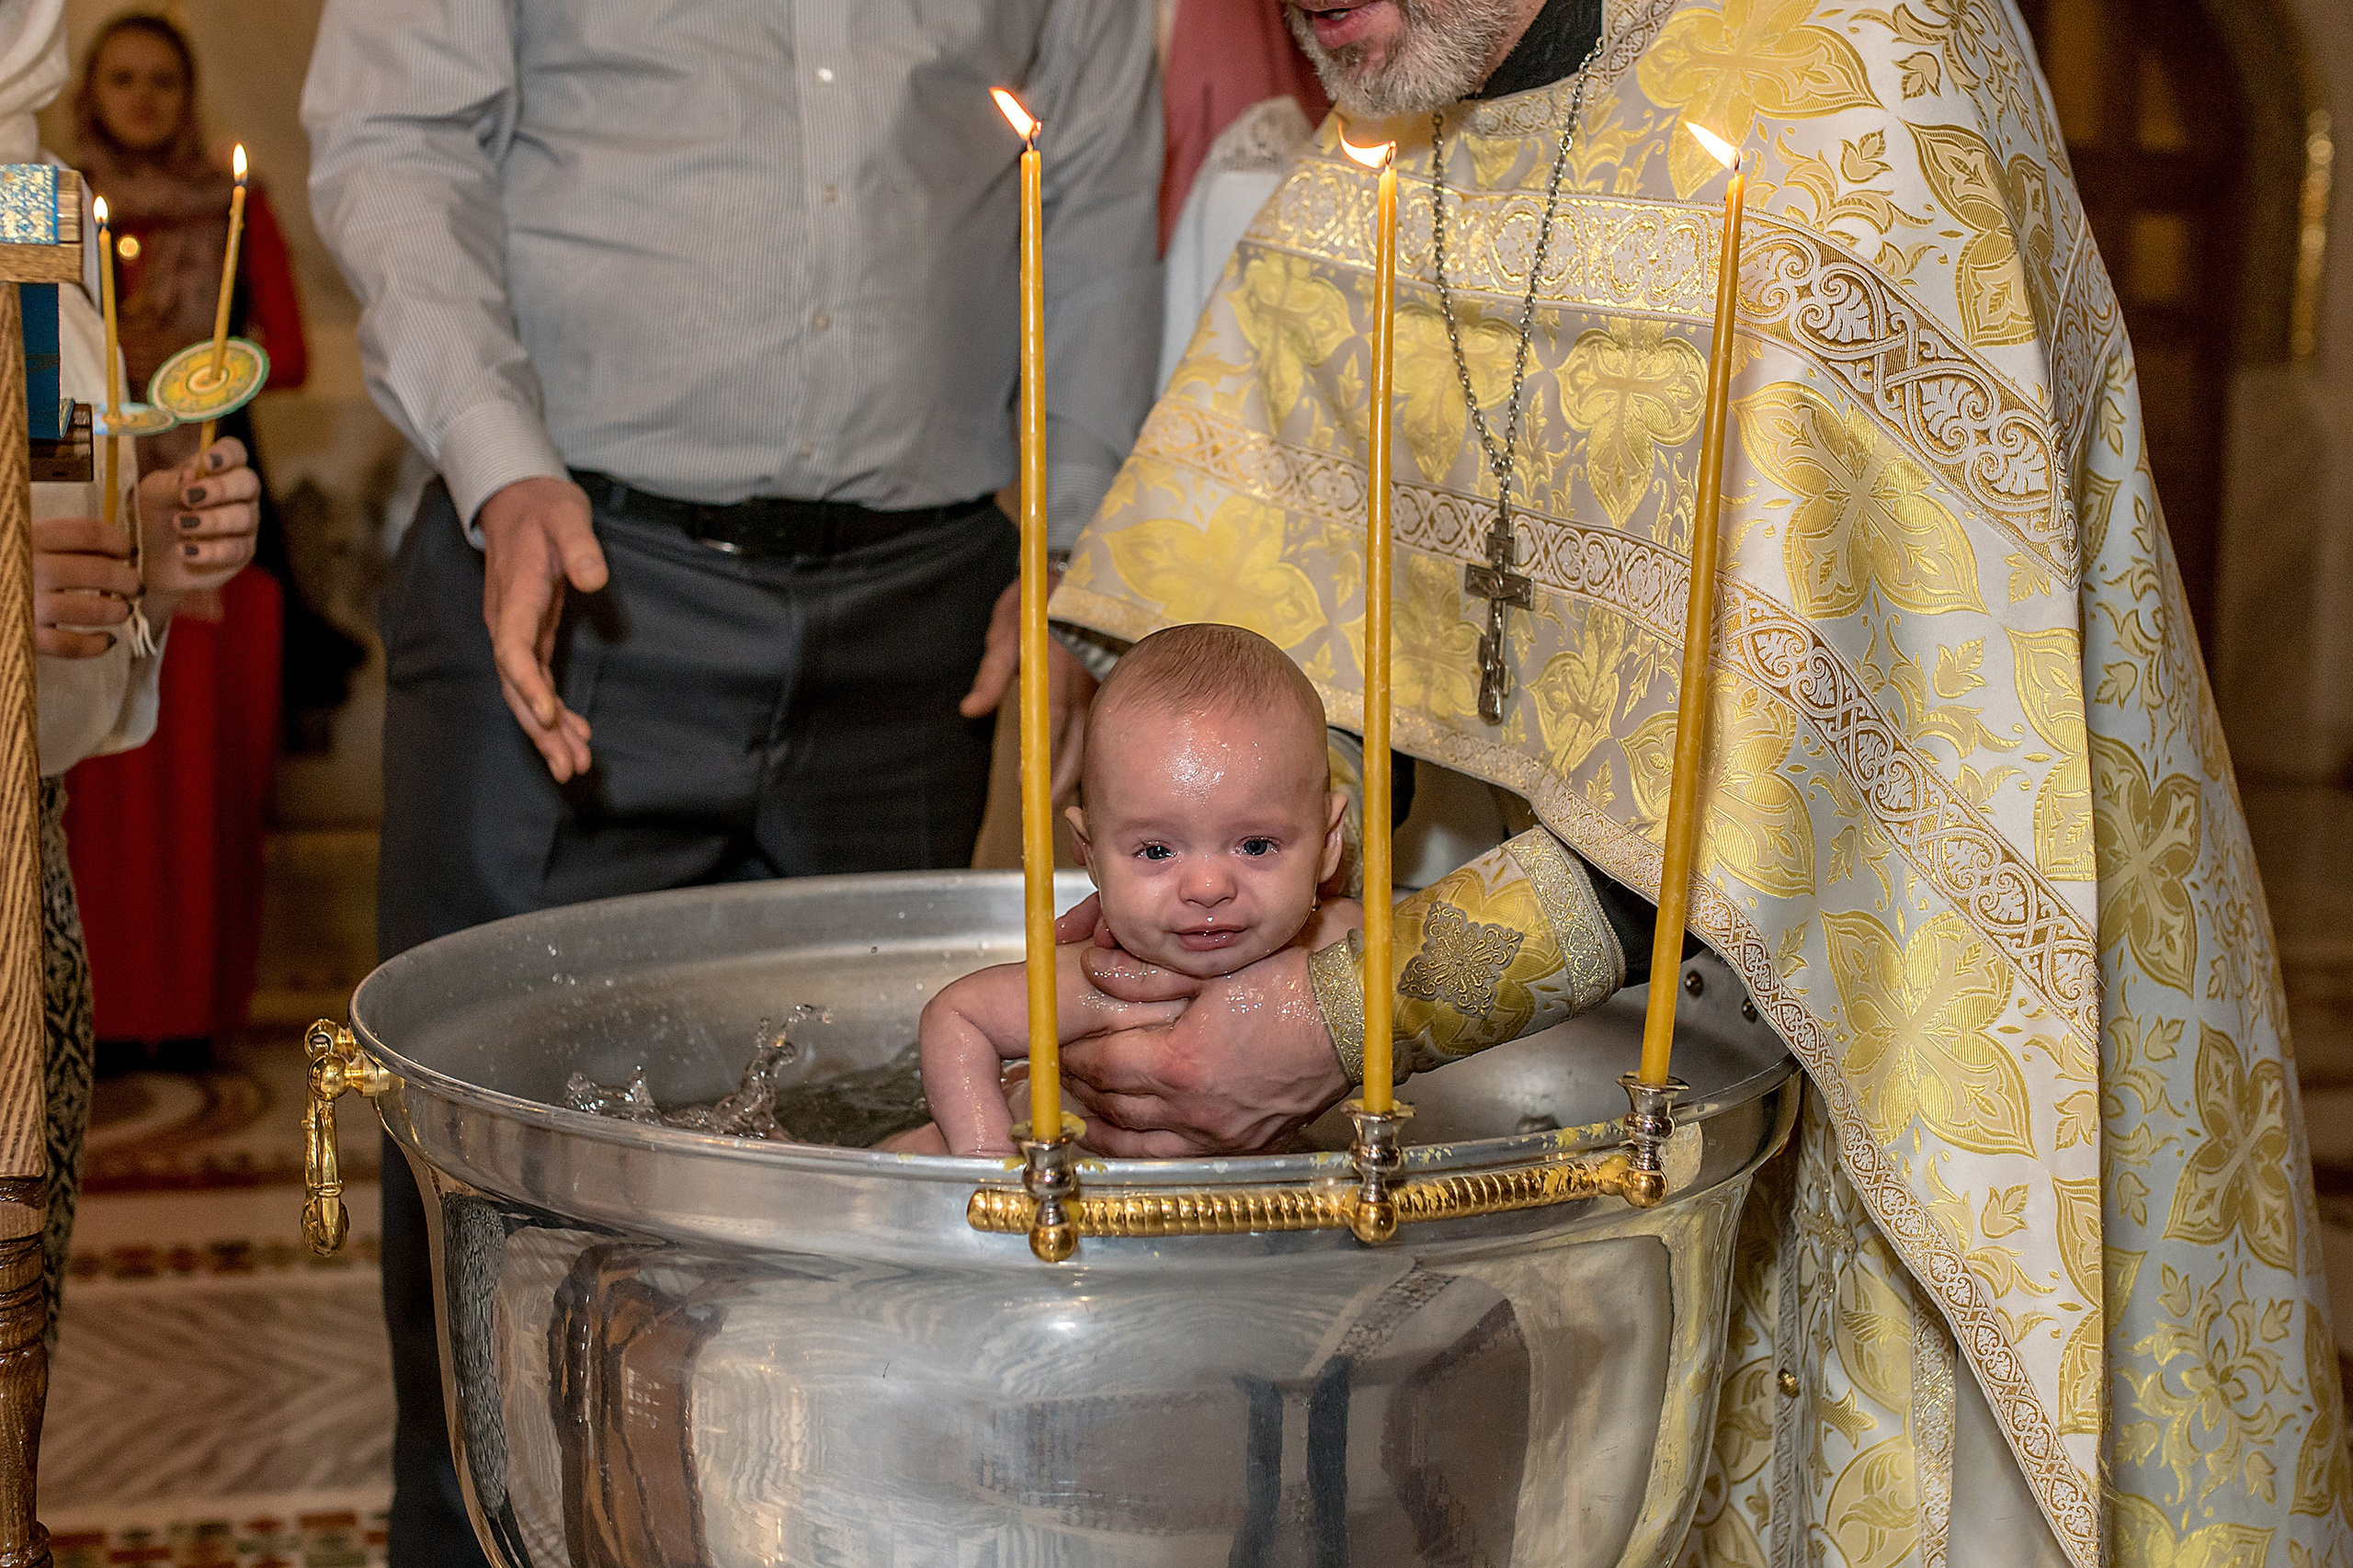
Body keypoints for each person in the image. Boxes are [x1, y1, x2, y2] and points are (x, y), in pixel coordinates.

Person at [1045, 0, 2353, 1561]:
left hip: (1917, 1008)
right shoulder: (1399, 109)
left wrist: (1345, 1014)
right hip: (1583, 1068)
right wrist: (1247, 868)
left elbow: (1828, 750)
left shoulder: (1861, 77)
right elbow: (1298, 583)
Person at [301, 6, 1161, 1564]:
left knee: (865, 1178)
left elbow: (1093, 180)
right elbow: (395, 139)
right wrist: (498, 463)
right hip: (572, 570)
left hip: (919, 606)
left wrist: (1073, 541)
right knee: (503, 1193)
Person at [60, 14, 352, 1066]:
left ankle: (189, 1011)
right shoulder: (39, 195)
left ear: (189, 97)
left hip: (209, 519)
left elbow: (298, 359)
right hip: (75, 517)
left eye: (162, 81)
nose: (141, 99)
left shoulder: (234, 204)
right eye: (121, 78)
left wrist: (192, 352)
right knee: (85, 772)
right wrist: (99, 346)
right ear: (85, 88)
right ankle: (84, 1011)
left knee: (199, 783)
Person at [906, 624, 1354, 1156]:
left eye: (1256, 846)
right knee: (899, 1161)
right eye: (1157, 852)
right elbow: (955, 1018)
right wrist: (985, 1160)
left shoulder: (1337, 941)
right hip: (1057, 1172)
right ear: (1089, 853)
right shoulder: (1101, 984)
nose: (1208, 888)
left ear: (1329, 844)